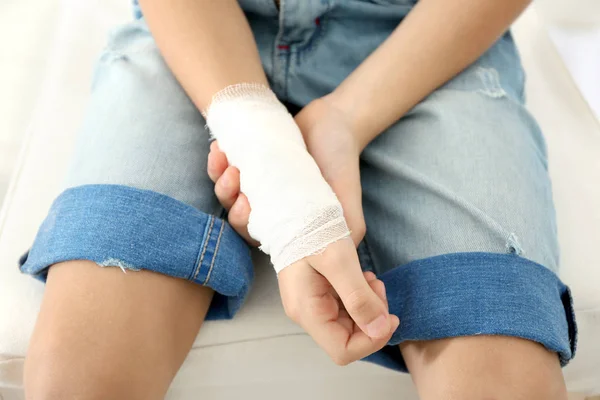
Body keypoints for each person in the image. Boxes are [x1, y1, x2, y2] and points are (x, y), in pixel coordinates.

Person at [20, 0, 576, 398]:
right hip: (202, 30)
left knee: (504, 380)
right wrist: (263, 144)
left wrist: (344, 120)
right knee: (76, 379)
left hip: (423, 38)